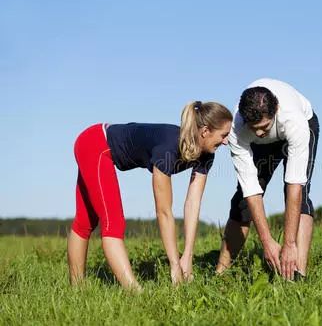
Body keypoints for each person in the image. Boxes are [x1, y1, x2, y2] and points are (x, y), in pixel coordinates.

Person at [67, 101, 233, 290]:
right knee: (113, 223)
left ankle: (76, 291)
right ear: (205, 131)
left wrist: (187, 256)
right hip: (96, 144)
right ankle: (135, 293)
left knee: (85, 221)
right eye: (224, 135)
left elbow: (193, 203)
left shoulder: (207, 154)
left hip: (97, 143)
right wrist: (174, 264)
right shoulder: (169, 148)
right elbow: (164, 212)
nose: (227, 141)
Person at [216, 78, 319, 281]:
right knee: (242, 201)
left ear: (276, 110)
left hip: (301, 125)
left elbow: (294, 186)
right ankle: (221, 275)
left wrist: (288, 243)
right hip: (260, 142)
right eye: (255, 128)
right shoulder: (238, 130)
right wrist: (266, 241)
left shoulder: (294, 120)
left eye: (264, 126)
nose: (261, 133)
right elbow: (251, 189)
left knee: (302, 195)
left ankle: (296, 275)